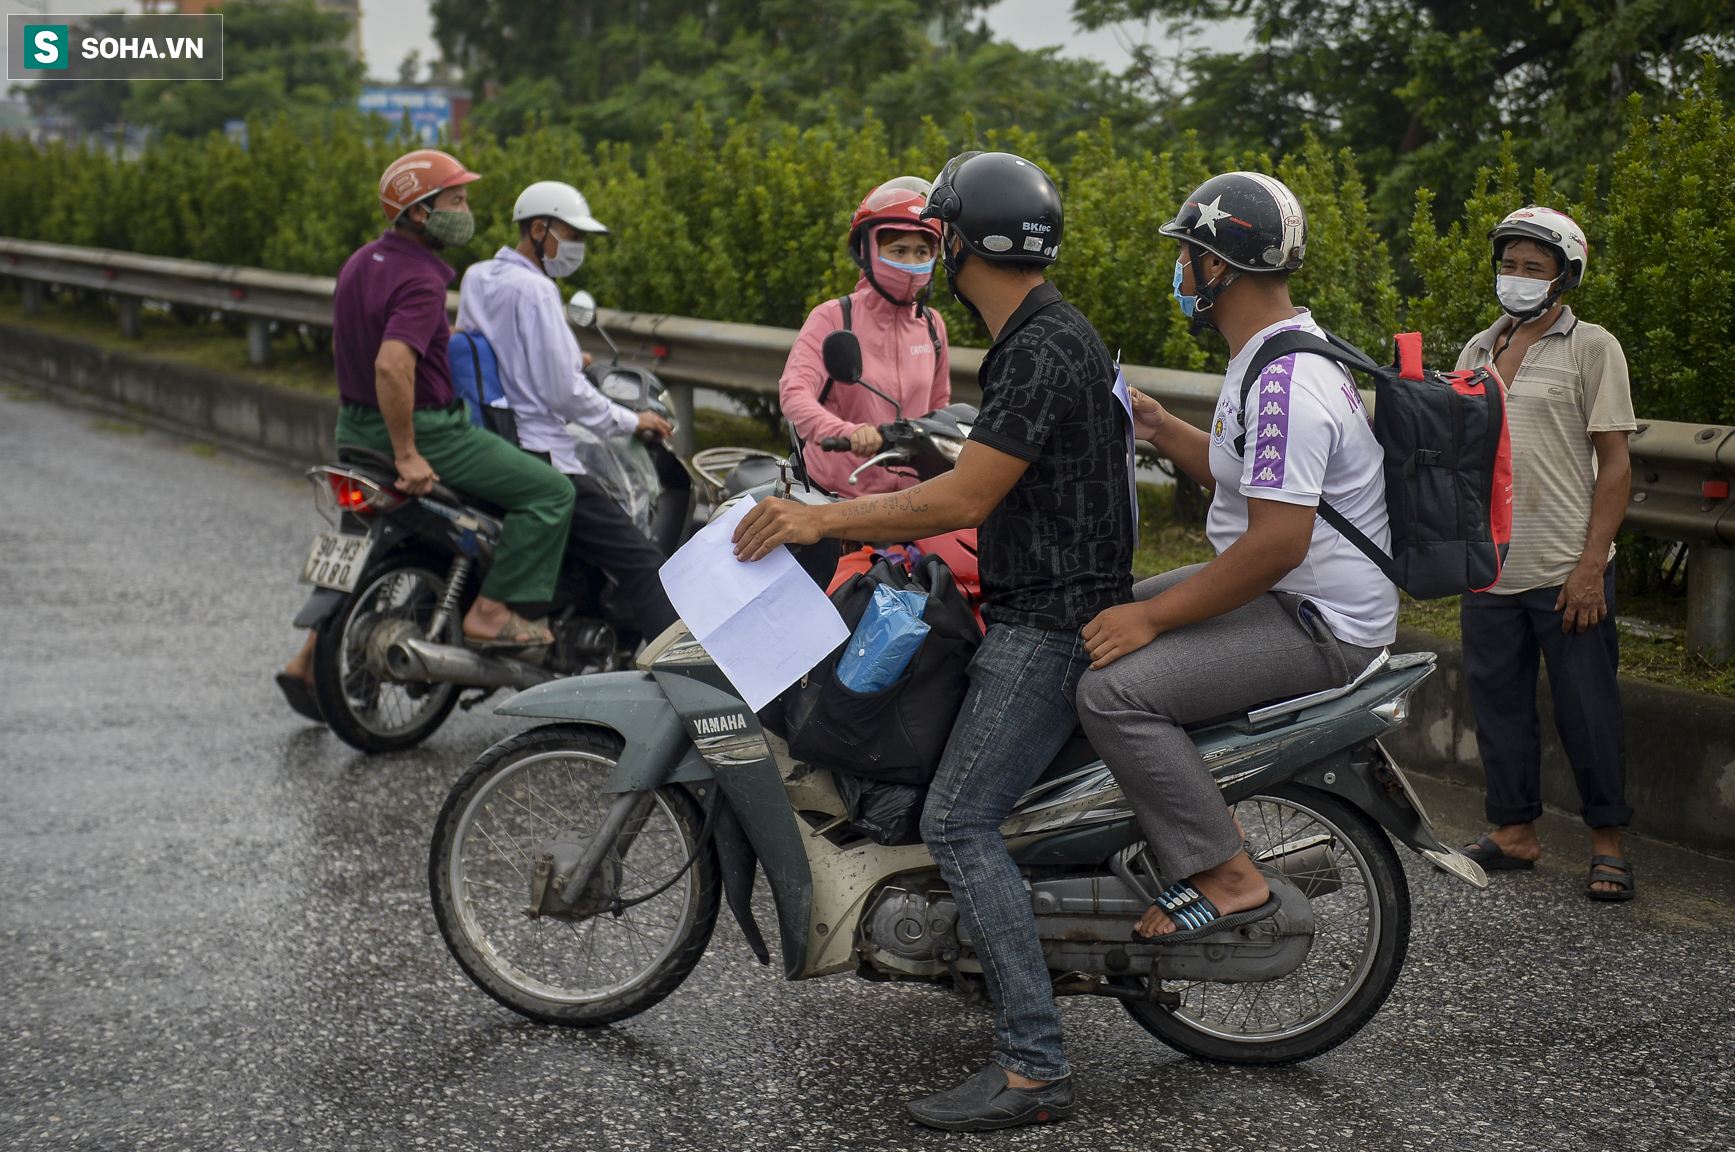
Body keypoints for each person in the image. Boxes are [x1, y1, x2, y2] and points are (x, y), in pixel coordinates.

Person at [732, 151, 1133, 1132]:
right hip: (1037, 599)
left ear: (958, 242)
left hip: (1045, 627)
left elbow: (963, 497)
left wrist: (816, 522)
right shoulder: (1040, 336)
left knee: (957, 821)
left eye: (936, 232)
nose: (926, 251)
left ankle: (1035, 1066)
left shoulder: (1037, 348)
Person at [1073, 172, 1395, 943]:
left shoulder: (1284, 381)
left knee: (1113, 694)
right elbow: (1242, 475)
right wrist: (1155, 425)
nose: (1178, 272)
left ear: (1217, 266)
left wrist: (1151, 618)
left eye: (1185, 255)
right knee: (1083, 633)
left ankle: (1226, 874)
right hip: (1289, 597)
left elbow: (1276, 545)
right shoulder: (1270, 353)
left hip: (1320, 622)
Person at [276, 150, 576, 721]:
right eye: (455, 201)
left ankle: (307, 663)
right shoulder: (419, 278)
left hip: (355, 428)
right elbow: (393, 365)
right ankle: (491, 610)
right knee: (550, 494)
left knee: (362, 549)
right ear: (418, 212)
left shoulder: (365, 260)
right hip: (425, 432)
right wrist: (410, 453)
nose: (466, 211)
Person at [1453, 207, 1637, 901]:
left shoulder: (1592, 347)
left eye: (1534, 268)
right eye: (1509, 264)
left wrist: (1592, 564)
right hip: (1489, 565)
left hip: (1566, 569)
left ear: (1564, 277)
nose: (1517, 279)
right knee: (1496, 705)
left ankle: (1606, 844)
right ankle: (1512, 831)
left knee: (1587, 709)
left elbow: (1615, 463)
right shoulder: (1477, 349)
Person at [454, 180, 679, 642]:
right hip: (541, 446)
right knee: (643, 563)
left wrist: (571, 361)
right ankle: (682, 686)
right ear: (539, 229)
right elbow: (564, 394)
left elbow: (494, 347)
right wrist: (631, 419)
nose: (576, 248)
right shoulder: (537, 290)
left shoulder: (478, 276)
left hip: (493, 436)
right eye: (572, 237)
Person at [779, 177, 951, 494]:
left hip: (910, 499)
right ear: (867, 250)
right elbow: (794, 392)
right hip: (836, 495)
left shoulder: (931, 324)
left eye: (921, 251)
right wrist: (847, 432)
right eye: (898, 250)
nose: (911, 264)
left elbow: (939, 408)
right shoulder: (834, 317)